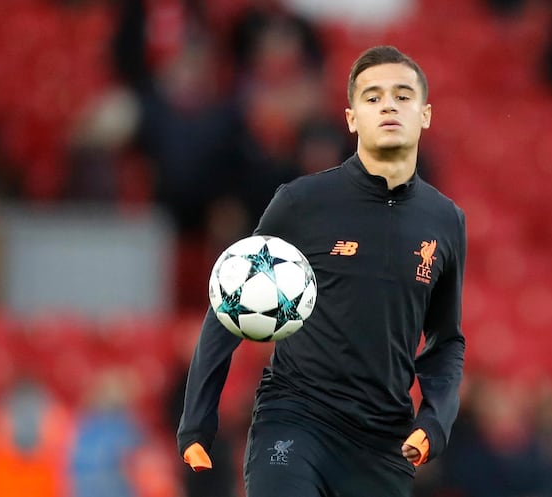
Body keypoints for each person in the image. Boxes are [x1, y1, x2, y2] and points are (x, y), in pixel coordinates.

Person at [177, 45, 467, 497]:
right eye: (372, 97)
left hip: (383, 441)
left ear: (425, 115)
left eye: (402, 95)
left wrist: (434, 421)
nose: (388, 105)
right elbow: (230, 300)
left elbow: (445, 341)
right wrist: (197, 422)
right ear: (351, 119)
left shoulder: (446, 220)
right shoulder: (301, 203)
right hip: (295, 417)